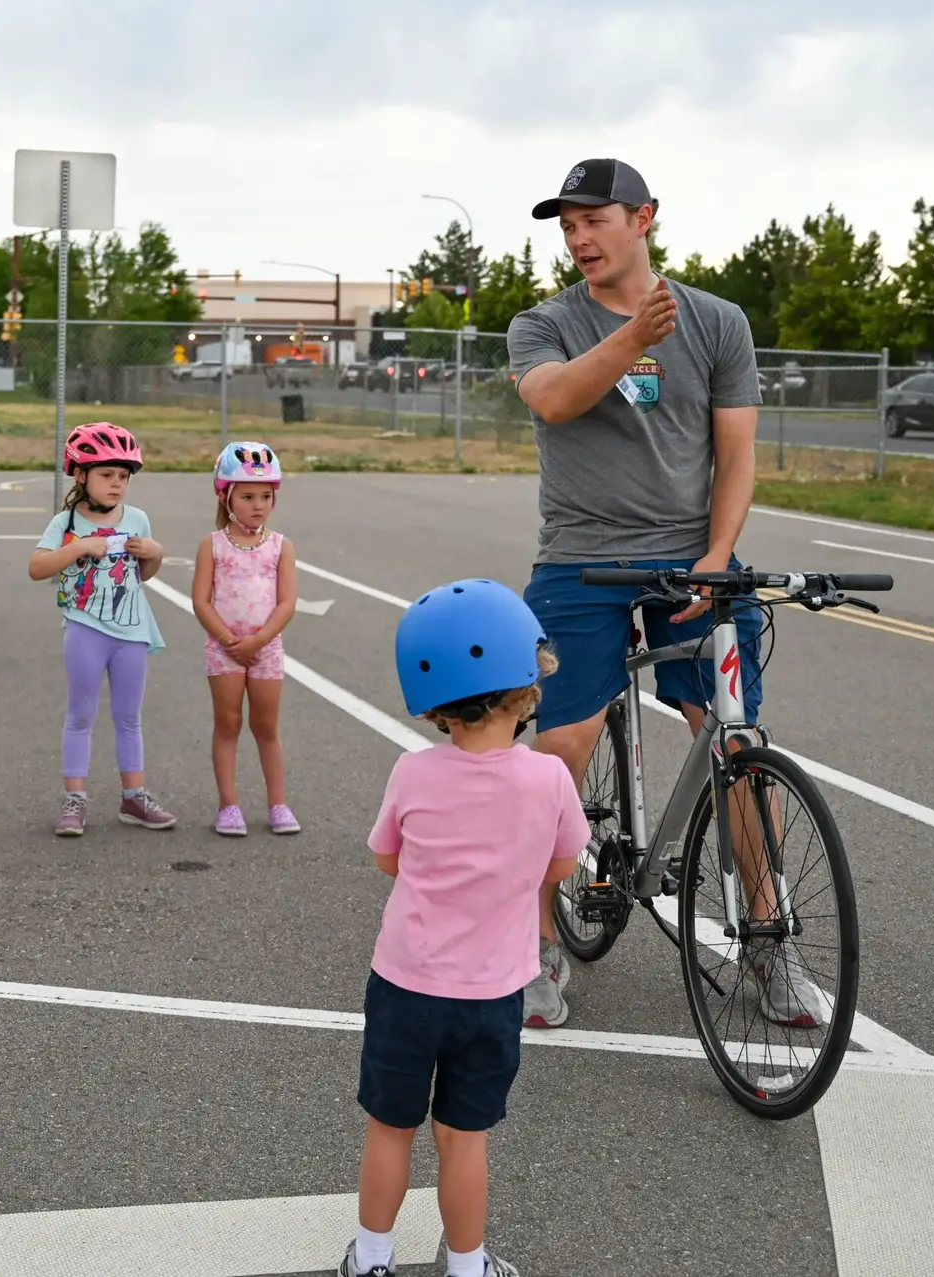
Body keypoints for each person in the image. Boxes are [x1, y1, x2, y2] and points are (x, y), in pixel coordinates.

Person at [508, 157, 822, 1030]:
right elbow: (556, 400)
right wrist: (630, 338)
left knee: (735, 742)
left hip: (691, 559)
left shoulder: (719, 322)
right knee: (559, 745)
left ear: (644, 218)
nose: (577, 239)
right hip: (581, 561)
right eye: (565, 226)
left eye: (593, 220)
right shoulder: (543, 322)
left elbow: (737, 454)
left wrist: (720, 553)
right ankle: (535, 948)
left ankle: (769, 943)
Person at [340, 578, 586, 1277]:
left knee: (391, 1127)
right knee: (464, 1135)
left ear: (436, 702)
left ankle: (374, 1259)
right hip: (493, 992)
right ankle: (468, 1265)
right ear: (525, 691)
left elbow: (387, 857)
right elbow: (561, 864)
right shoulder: (548, 780)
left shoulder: (413, 773)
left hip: (406, 984)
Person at [28, 423, 176, 837]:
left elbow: (143, 575)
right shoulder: (67, 521)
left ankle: (135, 796)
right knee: (81, 715)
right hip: (85, 627)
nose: (116, 484)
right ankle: (74, 800)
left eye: (123, 476)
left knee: (130, 717)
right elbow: (37, 567)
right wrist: (76, 547)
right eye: (106, 475)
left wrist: (155, 554)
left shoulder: (138, 519)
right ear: (81, 475)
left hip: (131, 630)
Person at [190, 440, 300, 836]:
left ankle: (278, 804)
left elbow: (287, 602)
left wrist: (259, 641)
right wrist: (228, 640)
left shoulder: (280, 546)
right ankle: (229, 805)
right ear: (226, 496)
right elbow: (201, 600)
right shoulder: (213, 545)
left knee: (267, 727)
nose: (258, 505)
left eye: (266, 496)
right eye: (248, 496)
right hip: (224, 652)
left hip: (266, 650)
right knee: (228, 723)